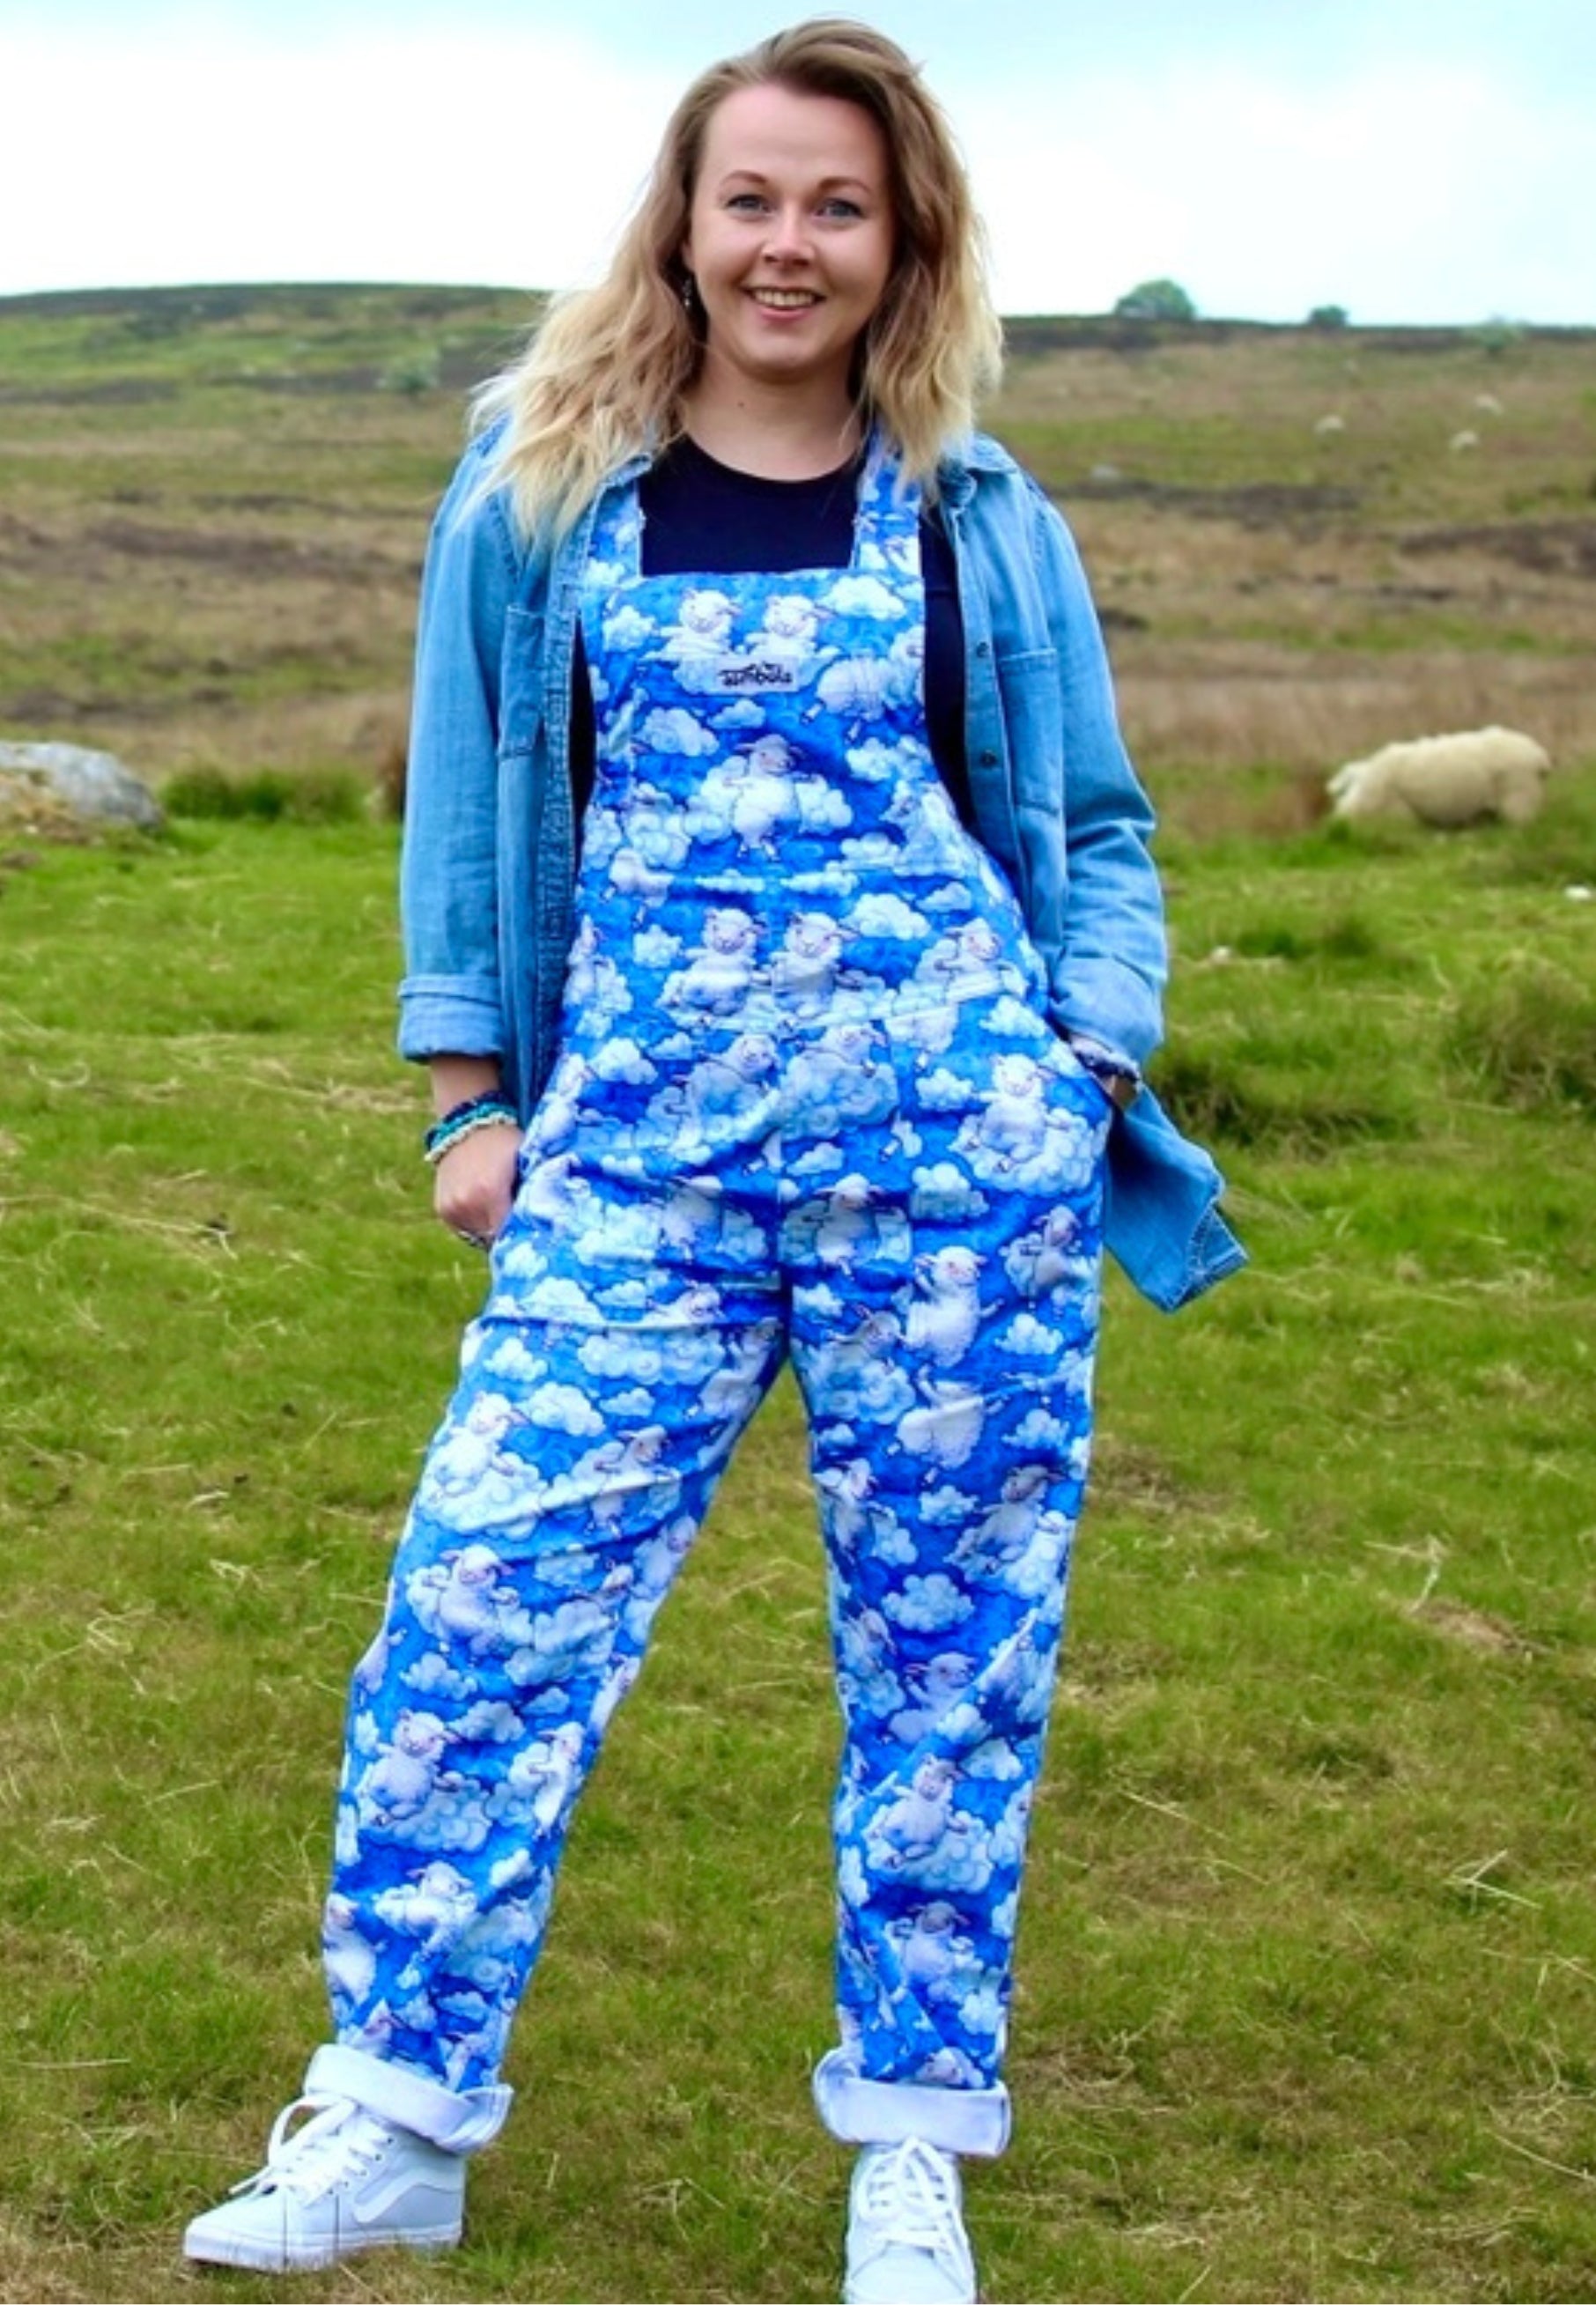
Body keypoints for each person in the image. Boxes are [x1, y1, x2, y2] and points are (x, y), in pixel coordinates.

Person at [182, 18, 1243, 2300]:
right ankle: (393, 2110)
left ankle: (911, 2144)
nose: (788, 241)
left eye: (836, 205)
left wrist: (1079, 1062)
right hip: (635, 1177)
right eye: (751, 195)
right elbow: (468, 818)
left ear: (900, 241)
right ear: (683, 214)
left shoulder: (976, 510)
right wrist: (468, 1096)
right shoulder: (543, 487)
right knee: (481, 1603)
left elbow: (1093, 833)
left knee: (945, 1658)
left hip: (951, 1179)